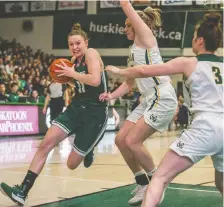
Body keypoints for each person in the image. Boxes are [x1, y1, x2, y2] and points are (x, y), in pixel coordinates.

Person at [106, 12, 223, 207]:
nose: (192, 40)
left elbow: (143, 71)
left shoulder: (187, 61)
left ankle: (152, 182)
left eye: (193, 37)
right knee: (221, 184)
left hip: (197, 120)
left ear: (200, 41)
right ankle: (143, 182)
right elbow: (134, 78)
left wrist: (118, 71)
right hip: (220, 125)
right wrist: (112, 94)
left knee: (158, 177)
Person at [0, 23, 108, 206]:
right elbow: (78, 84)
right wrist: (65, 78)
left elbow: (95, 79)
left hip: (95, 112)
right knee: (45, 144)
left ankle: (88, 149)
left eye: (78, 43)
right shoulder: (73, 61)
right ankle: (22, 191)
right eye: (71, 44)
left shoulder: (92, 54)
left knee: (72, 164)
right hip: (77, 106)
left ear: (86, 42)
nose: (74, 47)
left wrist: (72, 73)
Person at [100, 0, 177, 205]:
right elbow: (130, 82)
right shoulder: (134, 49)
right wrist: (112, 95)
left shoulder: (146, 37)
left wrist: (125, 3)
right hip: (148, 99)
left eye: (127, 25)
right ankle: (142, 183)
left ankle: (157, 183)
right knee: (121, 140)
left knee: (133, 141)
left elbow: (127, 8)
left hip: (162, 96)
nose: (124, 29)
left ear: (136, 25)